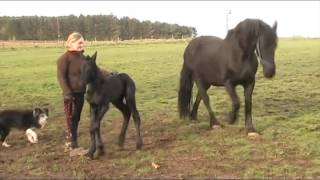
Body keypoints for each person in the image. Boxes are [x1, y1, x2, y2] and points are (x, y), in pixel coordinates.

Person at [56, 32, 87, 150]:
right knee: (71, 119)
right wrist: (67, 92)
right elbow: (61, 77)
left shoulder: (82, 57)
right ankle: (71, 143)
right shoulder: (64, 59)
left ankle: (73, 141)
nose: (82, 45)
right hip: (70, 95)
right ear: (71, 42)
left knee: (76, 118)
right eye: (79, 43)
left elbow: (94, 70)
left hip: (81, 93)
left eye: (83, 43)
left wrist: (109, 74)